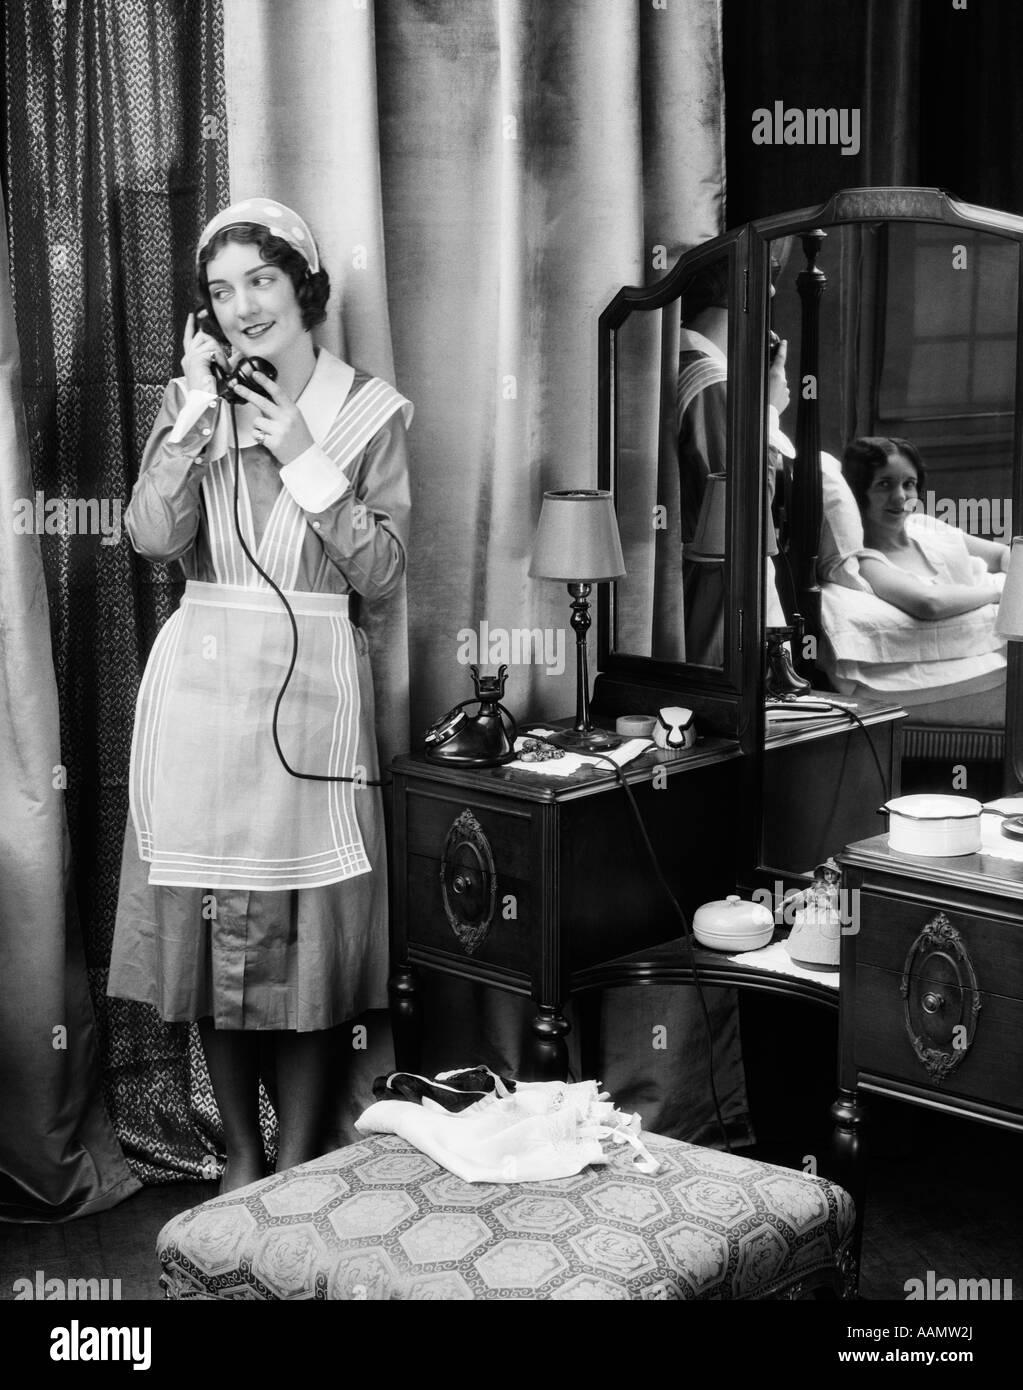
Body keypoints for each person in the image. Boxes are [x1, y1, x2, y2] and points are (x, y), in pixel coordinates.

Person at [108, 197, 412, 1191]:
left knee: (312, 936)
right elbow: (153, 536)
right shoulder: (194, 406)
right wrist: (196, 412)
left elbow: (381, 574)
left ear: (301, 286)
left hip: (316, 691)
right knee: (215, 933)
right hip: (201, 692)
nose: (241, 307)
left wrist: (303, 457)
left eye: (261, 281)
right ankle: (241, 1156)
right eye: (221, 289)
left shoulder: (369, 412)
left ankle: (302, 1152)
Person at [677, 257, 792, 664]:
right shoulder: (711, 381)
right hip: (723, 590)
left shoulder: (679, 361)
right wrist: (770, 412)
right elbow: (745, 515)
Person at [841, 436, 1007, 618]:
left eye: (908, 484)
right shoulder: (867, 563)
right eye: (884, 484)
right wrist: (1002, 591)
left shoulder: (922, 524)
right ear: (857, 491)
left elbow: (1002, 555)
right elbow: (929, 603)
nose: (900, 497)